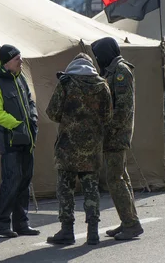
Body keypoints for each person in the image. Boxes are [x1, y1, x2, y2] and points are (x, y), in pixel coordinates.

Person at [45, 53, 113, 245]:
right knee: (91, 189)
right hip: (92, 147)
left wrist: (70, 119)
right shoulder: (102, 85)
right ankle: (93, 231)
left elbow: (52, 112)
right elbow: (107, 116)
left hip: (68, 146)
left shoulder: (66, 83)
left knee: (65, 189)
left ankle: (67, 230)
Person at [0, 44, 40, 238]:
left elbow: (30, 102)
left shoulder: (21, 79)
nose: (21, 61)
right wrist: (17, 125)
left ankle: (21, 224)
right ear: (7, 62)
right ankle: (1, 224)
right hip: (10, 142)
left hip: (28, 140)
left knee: (25, 181)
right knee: (11, 182)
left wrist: (33, 119)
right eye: (17, 59)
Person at [91, 37, 144, 241]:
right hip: (113, 134)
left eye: (98, 55)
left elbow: (123, 107)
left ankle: (131, 224)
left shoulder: (121, 71)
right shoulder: (112, 71)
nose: (97, 59)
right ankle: (129, 220)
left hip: (115, 134)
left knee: (115, 180)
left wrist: (109, 130)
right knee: (121, 178)